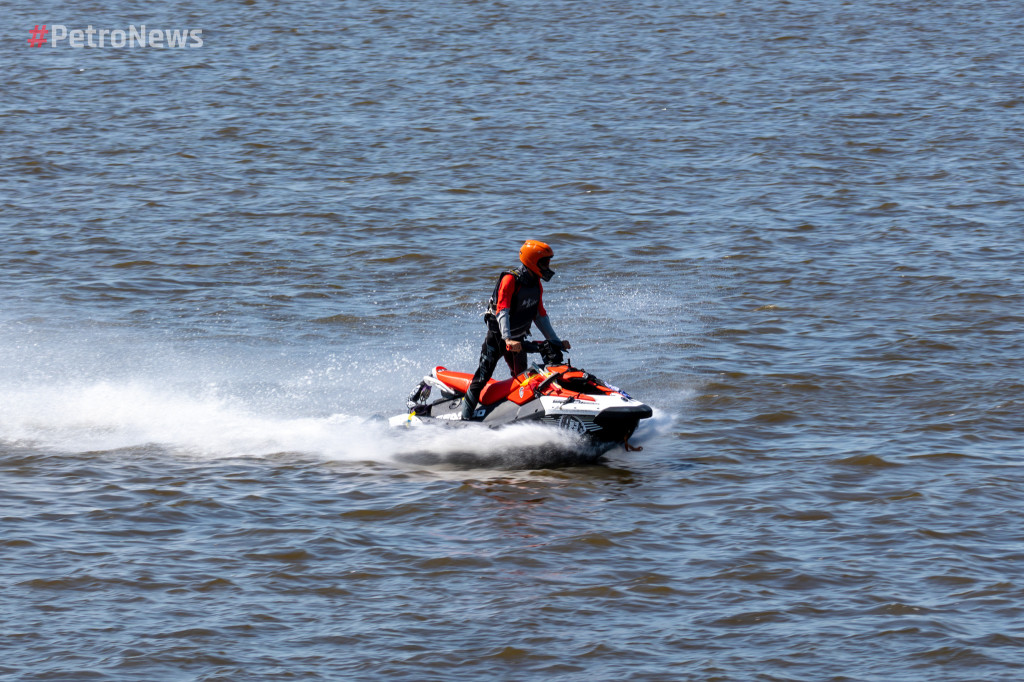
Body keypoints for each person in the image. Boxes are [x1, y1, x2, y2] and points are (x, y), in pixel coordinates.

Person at [461, 240, 571, 420]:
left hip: (518, 340)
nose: (547, 266)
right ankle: (464, 419)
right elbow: (502, 310)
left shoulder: (536, 284)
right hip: (498, 339)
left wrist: (556, 341)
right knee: (481, 377)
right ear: (532, 261)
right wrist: (507, 338)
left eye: (548, 262)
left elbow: (540, 316)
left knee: (521, 378)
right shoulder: (510, 280)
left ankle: (520, 416)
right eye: (544, 262)